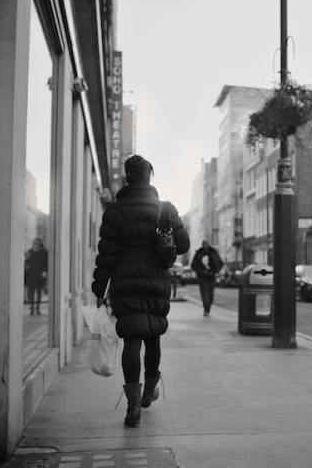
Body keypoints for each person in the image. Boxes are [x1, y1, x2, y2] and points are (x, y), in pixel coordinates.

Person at [91, 155, 190, 426]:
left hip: (125, 283)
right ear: (150, 177)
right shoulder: (165, 208)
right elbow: (183, 245)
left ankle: (133, 404)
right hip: (156, 282)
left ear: (127, 177)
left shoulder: (114, 211)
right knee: (153, 336)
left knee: (132, 340)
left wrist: (99, 289)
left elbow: (106, 255)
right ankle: (148, 392)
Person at [191, 240, 223, 316]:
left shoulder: (213, 252)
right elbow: (193, 265)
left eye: (206, 244)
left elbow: (220, 263)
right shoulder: (199, 253)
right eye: (203, 244)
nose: (204, 246)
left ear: (208, 245)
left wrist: (216, 271)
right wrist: (201, 271)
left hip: (212, 277)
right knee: (204, 294)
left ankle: (208, 308)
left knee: (211, 294)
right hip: (202, 277)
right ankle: (206, 309)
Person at [24, 238, 49, 315]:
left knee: (39, 293)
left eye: (38, 243)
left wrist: (45, 271)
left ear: (40, 244)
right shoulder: (30, 252)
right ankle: (32, 308)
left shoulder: (44, 253)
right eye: (35, 243)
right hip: (31, 276)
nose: (36, 245)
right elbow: (26, 263)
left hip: (40, 276)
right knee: (31, 293)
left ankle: (37, 309)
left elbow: (47, 263)